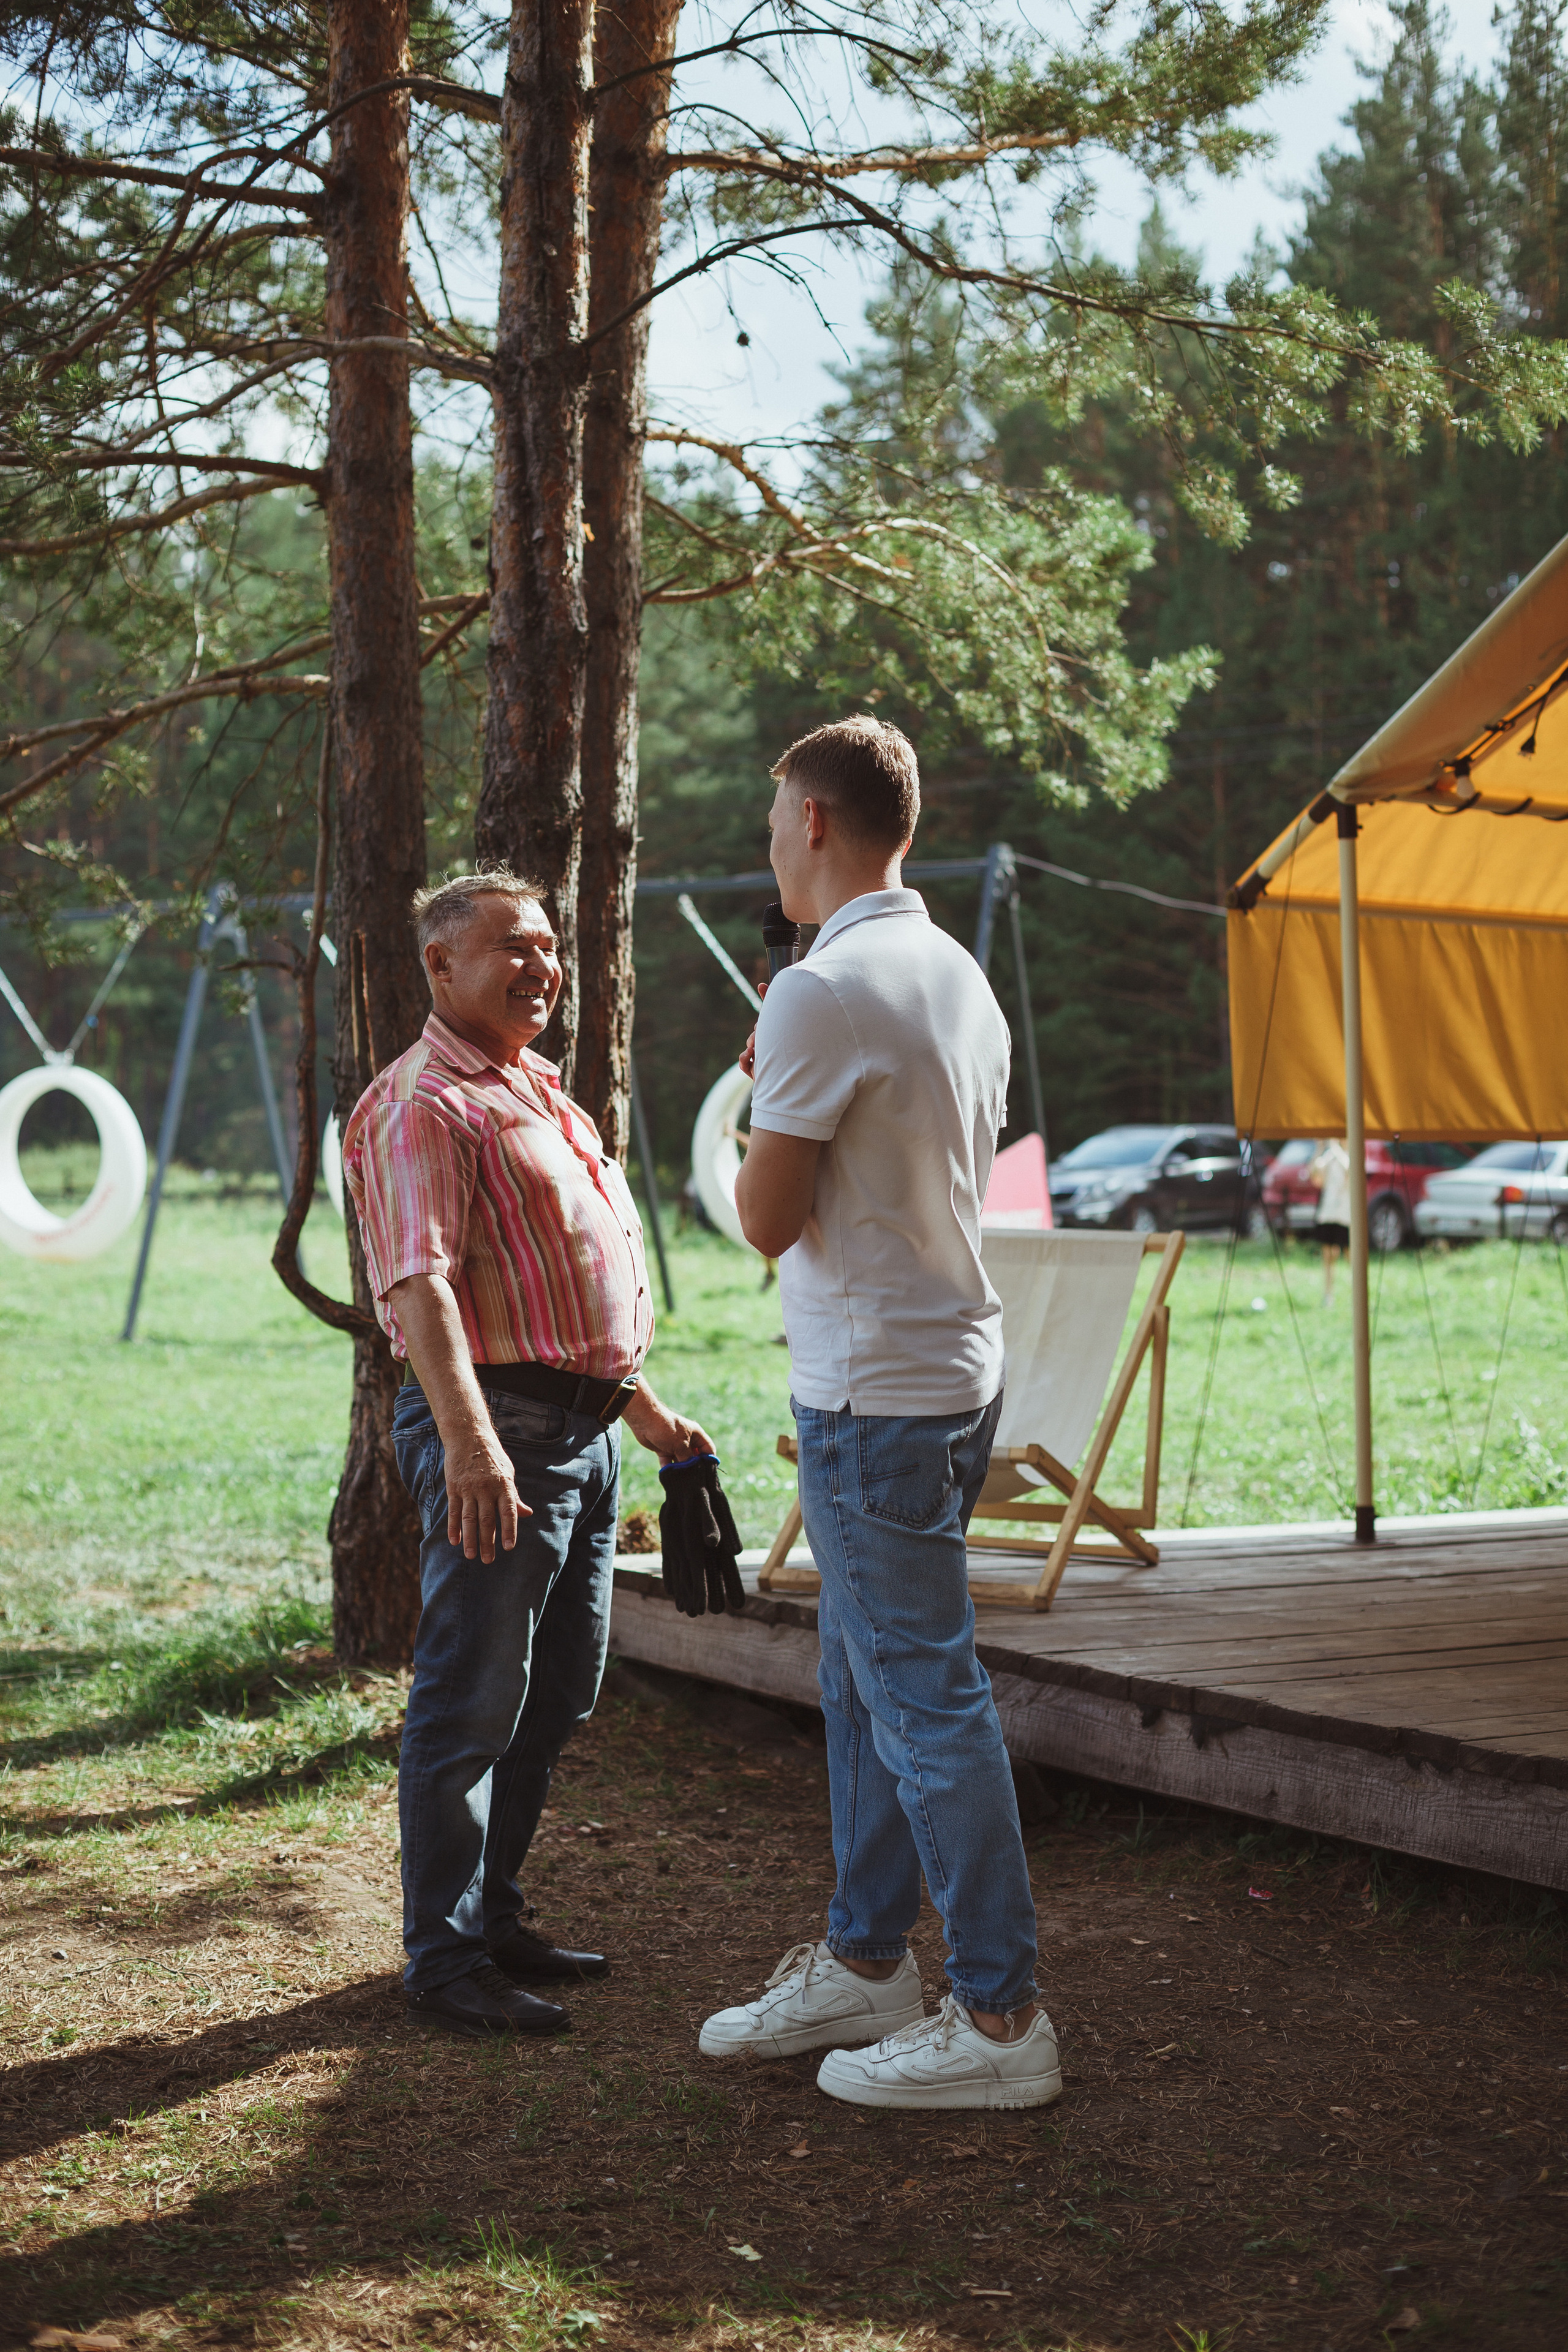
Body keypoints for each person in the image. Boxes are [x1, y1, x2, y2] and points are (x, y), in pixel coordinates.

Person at [697, 717, 1061, 2111]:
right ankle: (864, 1961)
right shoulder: (954, 972)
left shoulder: (816, 987)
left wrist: (753, 1090)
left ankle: (998, 2012)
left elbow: (764, 1217)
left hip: (874, 1397)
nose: (767, 841)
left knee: (919, 1699)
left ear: (811, 822)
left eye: (771, 815)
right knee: (861, 1682)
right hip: (954, 1373)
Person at [343, 867, 715, 2039]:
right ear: (439, 966)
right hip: (497, 1438)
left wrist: (644, 1413)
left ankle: (492, 1916)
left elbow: (563, 1279)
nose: (540, 966)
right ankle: (443, 1960)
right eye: (510, 947)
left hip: (586, 1439)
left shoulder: (541, 1092)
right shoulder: (423, 1104)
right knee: (468, 1704)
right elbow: (424, 1286)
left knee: (558, 1693)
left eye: (550, 947)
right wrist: (468, 1447)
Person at [1311, 1137, 1352, 1302]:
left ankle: (1357, 1295)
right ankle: (1328, 1294)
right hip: (1328, 1214)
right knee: (1328, 1256)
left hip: (1346, 1216)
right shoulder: (1329, 1156)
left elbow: (1350, 1172)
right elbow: (1315, 1177)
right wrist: (1319, 1150)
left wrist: (1334, 1147)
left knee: (1351, 1256)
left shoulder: (1351, 1155)